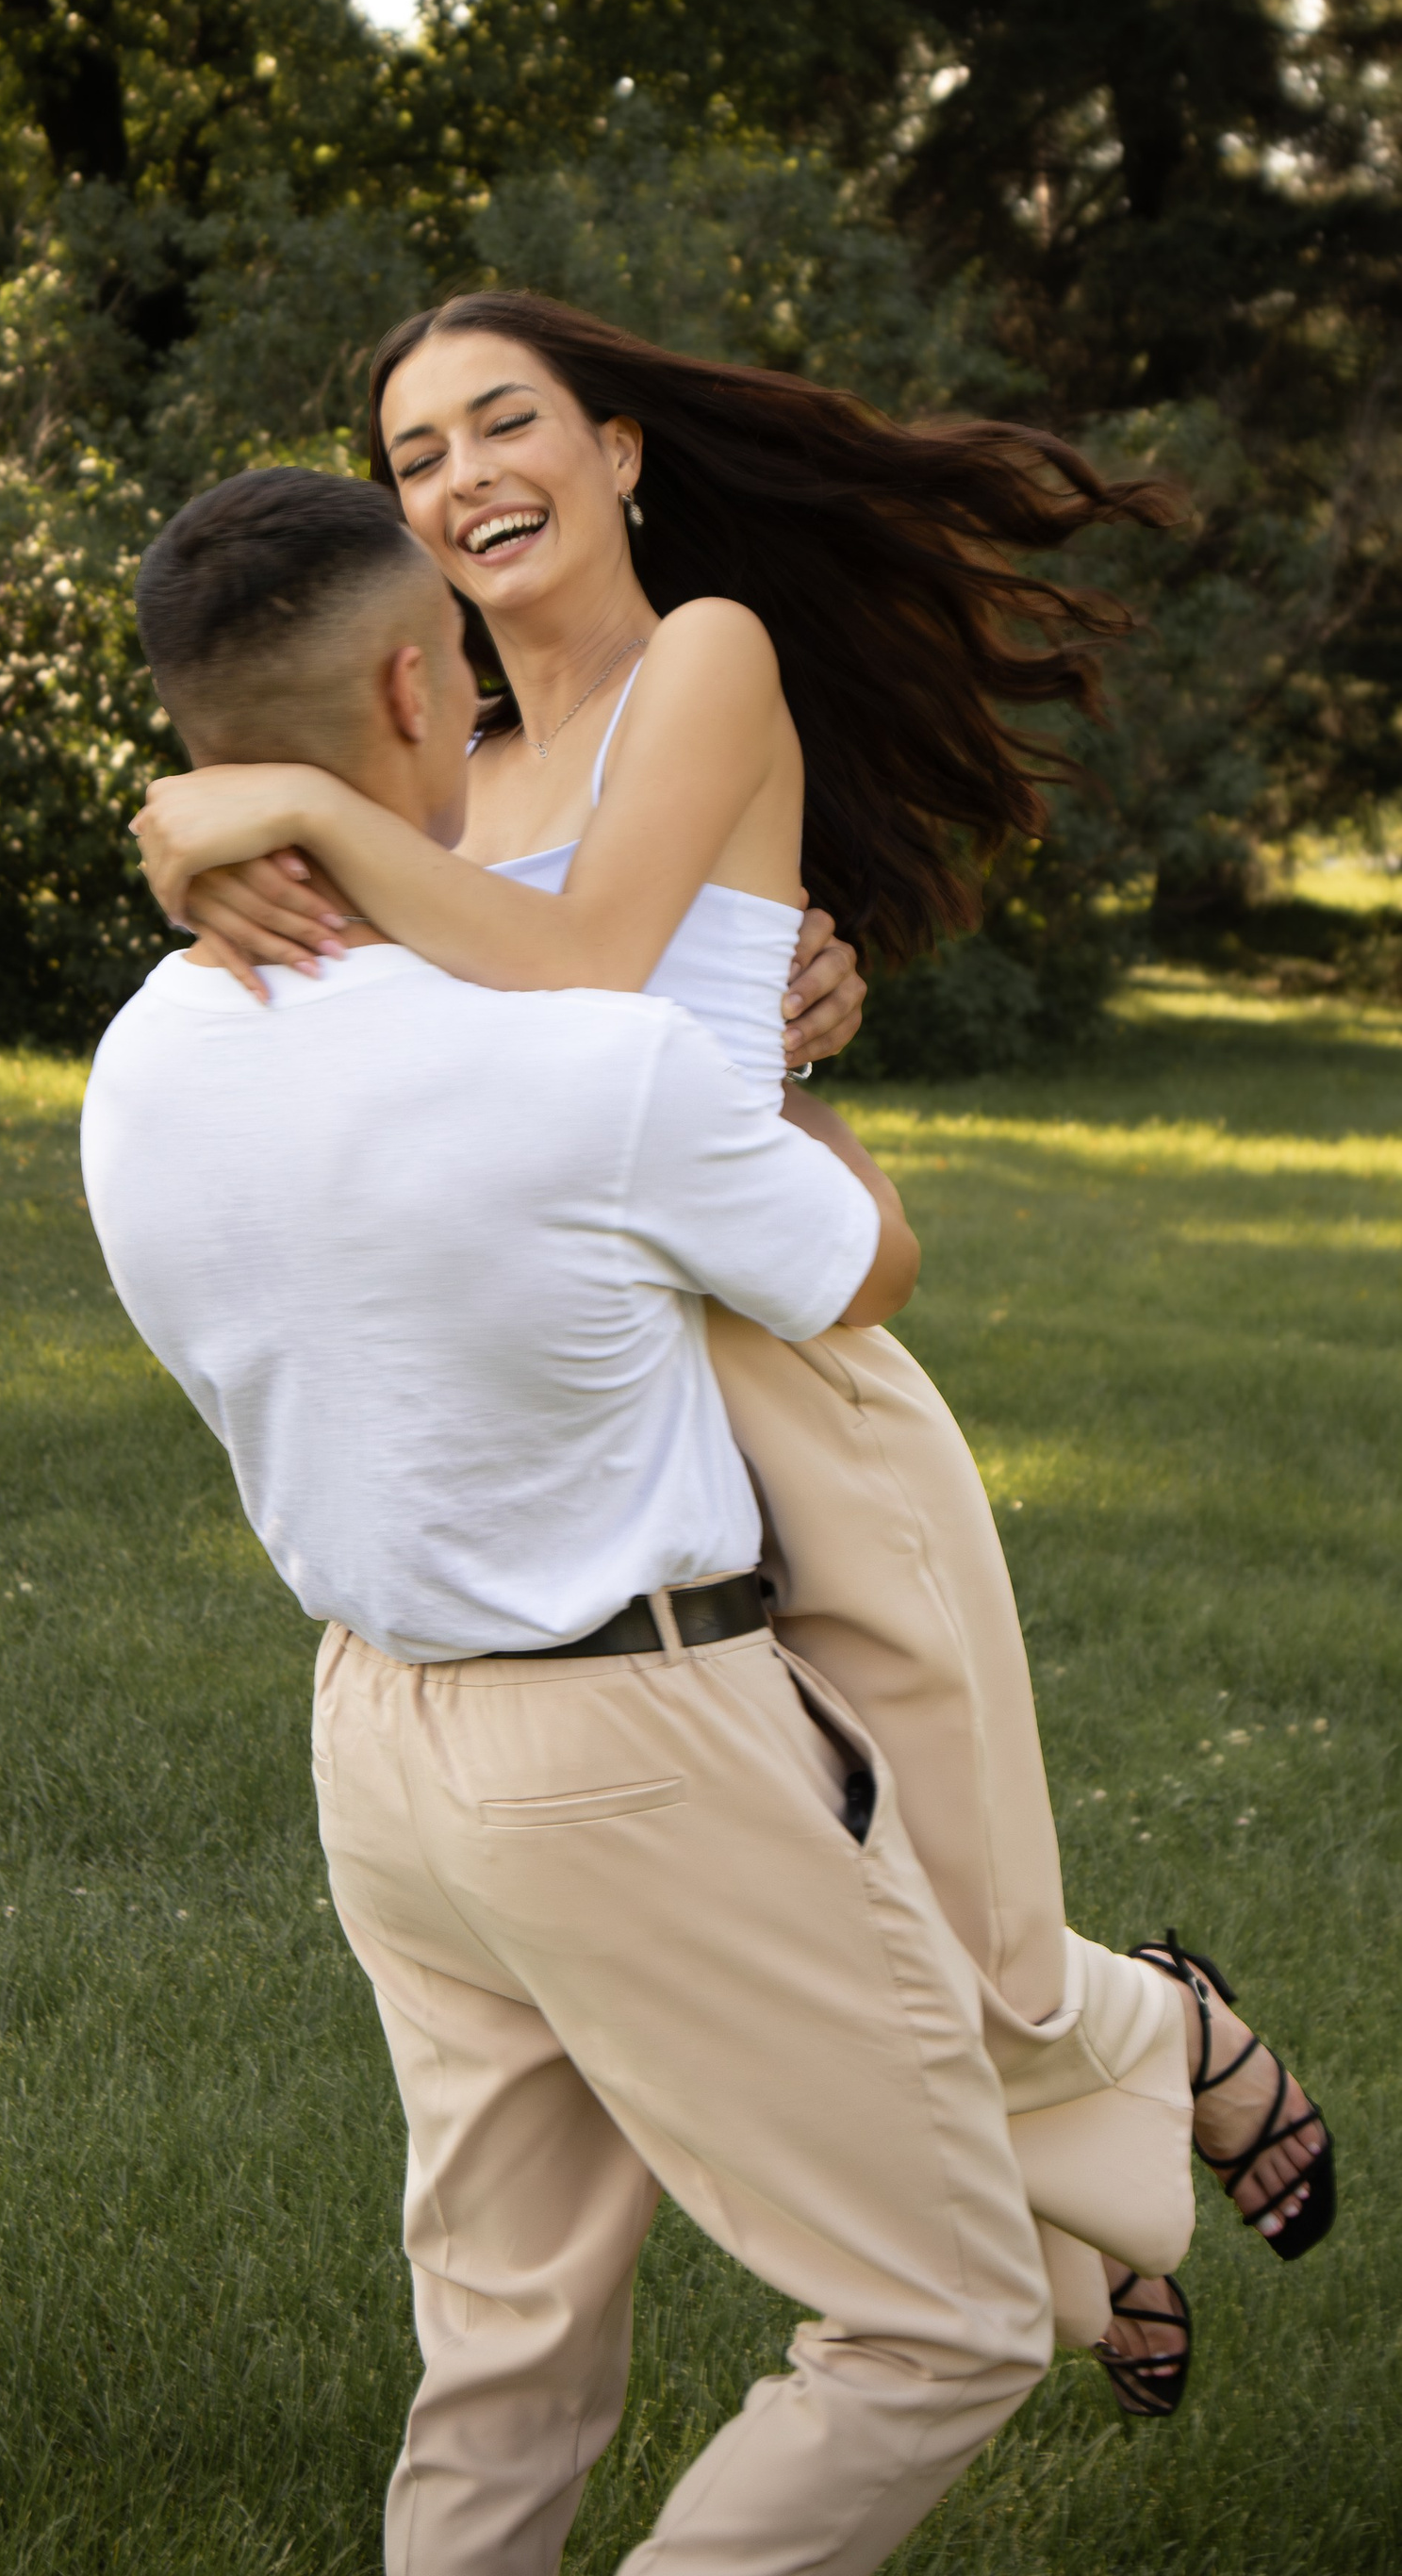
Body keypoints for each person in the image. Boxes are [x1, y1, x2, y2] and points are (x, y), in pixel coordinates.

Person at [126, 297, 1335, 2406]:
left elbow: (592, 973)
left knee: (953, 1922)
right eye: (413, 458)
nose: (461, 478)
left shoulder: (703, 661)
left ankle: (1157, 2058)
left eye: (504, 424)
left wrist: (241, 810)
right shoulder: (448, 769)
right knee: (832, 1919)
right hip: (598, 1388)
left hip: (789, 1366)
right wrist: (198, 821)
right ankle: (1090, 2201)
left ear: (617, 455)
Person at [84, 466, 1070, 2574]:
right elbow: (858, 1265)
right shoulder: (581, 1064)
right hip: (633, 1741)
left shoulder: (136, 1060)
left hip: (377, 1740)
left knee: (506, 2343)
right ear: (421, 680)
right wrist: (777, 1065)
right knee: (938, 2316)